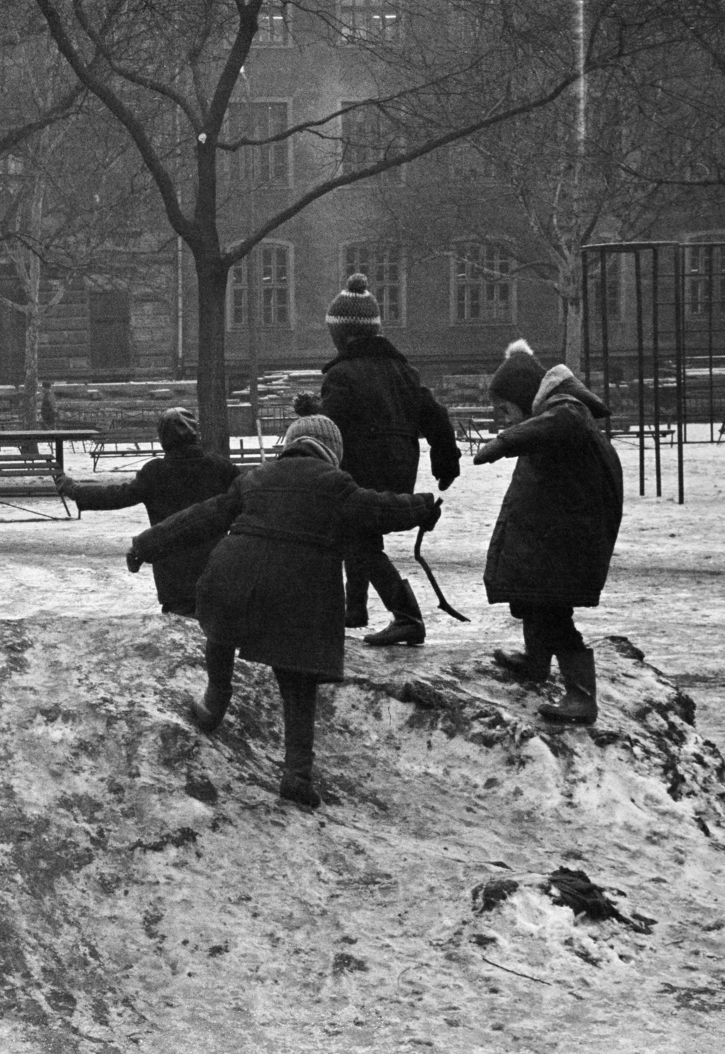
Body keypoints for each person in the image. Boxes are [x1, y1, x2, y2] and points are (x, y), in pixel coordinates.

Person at [127, 411, 441, 807]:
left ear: (290, 444)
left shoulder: (255, 477)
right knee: (296, 676)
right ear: (333, 452)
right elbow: (382, 509)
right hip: (295, 590)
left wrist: (146, 544)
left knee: (221, 633)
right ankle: (296, 775)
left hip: (231, 574)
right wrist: (423, 506)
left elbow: (202, 517)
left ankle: (213, 705)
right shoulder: (336, 484)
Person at [474, 340, 624, 725]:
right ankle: (535, 661)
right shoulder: (552, 421)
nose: (502, 419)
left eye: (505, 409)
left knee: (554, 614)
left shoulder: (566, 414)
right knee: (533, 599)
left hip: (566, 544)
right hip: (553, 540)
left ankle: (581, 696)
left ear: (525, 398)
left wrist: (504, 443)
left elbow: (557, 423)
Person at [319, 273, 461, 646]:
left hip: (360, 467)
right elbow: (435, 415)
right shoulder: (403, 371)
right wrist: (446, 461)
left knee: (356, 537)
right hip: (400, 468)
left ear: (343, 334)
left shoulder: (342, 375)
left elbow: (329, 427)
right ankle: (355, 608)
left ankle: (407, 616)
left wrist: (312, 455)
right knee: (361, 532)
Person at [54, 408, 239, 616]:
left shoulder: (156, 472)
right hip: (217, 568)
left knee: (178, 634)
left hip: (173, 574)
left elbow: (118, 496)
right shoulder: (221, 467)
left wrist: (77, 491)